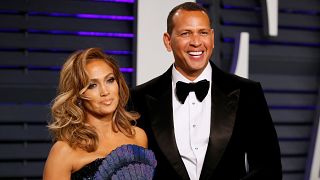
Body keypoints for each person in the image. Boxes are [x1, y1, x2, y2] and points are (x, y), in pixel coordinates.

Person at [130, 2, 282, 180]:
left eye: (203, 33)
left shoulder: (248, 92)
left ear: (212, 37)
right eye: (186, 33)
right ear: (167, 40)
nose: (196, 42)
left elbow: (268, 169)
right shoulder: (138, 98)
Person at [43, 48, 156, 180]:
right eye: (92, 85)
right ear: (77, 95)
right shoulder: (63, 151)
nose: (105, 91)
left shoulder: (138, 136)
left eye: (110, 80)